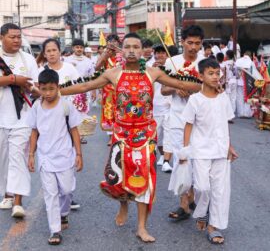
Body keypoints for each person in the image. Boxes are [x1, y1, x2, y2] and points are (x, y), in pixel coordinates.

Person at [60, 33, 201, 242]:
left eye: (136, 46)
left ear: (144, 50)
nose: (132, 50)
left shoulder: (153, 73)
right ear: (122, 50)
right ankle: (123, 204)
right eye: (128, 47)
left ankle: (142, 227)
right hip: (121, 135)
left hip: (145, 136)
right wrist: (54, 91)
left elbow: (185, 85)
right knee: (119, 177)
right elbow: (84, 86)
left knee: (145, 180)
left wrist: (201, 83)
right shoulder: (113, 73)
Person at [180, 58, 238, 244]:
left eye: (217, 73)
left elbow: (225, 124)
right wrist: (185, 152)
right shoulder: (195, 100)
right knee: (202, 187)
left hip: (221, 150)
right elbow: (188, 126)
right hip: (200, 151)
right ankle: (203, 210)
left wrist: (229, 146)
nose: (215, 77)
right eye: (210, 73)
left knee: (220, 191)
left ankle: (214, 226)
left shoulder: (224, 98)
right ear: (201, 76)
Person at [28, 69, 83, 245]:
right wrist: (31, 155)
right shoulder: (36, 106)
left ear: (57, 87)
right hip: (45, 157)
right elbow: (34, 132)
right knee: (50, 194)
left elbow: (74, 130)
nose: (48, 93)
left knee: (66, 190)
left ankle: (64, 213)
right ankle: (55, 229)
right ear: (39, 87)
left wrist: (79, 154)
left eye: (51, 89)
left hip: (65, 156)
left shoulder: (66, 106)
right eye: (44, 89)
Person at [162, 25, 204, 221]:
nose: (193, 47)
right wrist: (176, 88)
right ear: (182, 42)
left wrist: (194, 89)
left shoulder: (206, 63)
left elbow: (215, 89)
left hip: (201, 122)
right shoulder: (173, 63)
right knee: (181, 160)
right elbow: (163, 89)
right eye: (190, 42)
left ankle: (194, 197)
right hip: (178, 119)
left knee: (198, 162)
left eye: (197, 43)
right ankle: (183, 203)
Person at [0, 23, 39, 217]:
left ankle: (18, 201)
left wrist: (31, 87)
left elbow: (35, 84)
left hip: (23, 117)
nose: (16, 40)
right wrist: (14, 80)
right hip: (1, 118)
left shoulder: (28, 59)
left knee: (18, 158)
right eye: (12, 37)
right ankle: (7, 193)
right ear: (1, 38)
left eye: (18, 37)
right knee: (3, 160)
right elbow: (14, 80)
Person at [41, 38, 82, 208]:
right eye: (48, 51)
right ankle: (53, 195)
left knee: (70, 155)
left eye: (54, 50)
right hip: (48, 120)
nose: (51, 53)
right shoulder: (40, 71)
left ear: (59, 51)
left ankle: (67, 194)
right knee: (49, 159)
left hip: (68, 118)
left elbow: (80, 87)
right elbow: (37, 93)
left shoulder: (70, 69)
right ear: (44, 54)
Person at [148, 44, 173, 173]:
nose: (160, 55)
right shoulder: (149, 67)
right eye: (157, 53)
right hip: (155, 106)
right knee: (157, 135)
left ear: (167, 54)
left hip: (170, 106)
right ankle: (161, 154)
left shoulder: (173, 66)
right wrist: (151, 73)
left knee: (169, 134)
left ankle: (166, 162)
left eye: (163, 53)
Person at [95, 34, 122, 146]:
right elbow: (97, 68)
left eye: (115, 41)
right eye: (110, 41)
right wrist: (104, 56)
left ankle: (120, 136)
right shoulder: (105, 55)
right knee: (109, 113)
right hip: (108, 90)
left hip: (121, 89)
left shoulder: (122, 55)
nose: (112, 43)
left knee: (121, 112)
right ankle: (111, 137)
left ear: (118, 43)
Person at [235, 51, 254, 118]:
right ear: (250, 56)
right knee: (247, 97)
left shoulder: (238, 61)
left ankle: (240, 113)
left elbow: (235, 71)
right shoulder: (251, 62)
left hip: (239, 82)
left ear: (244, 54)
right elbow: (253, 73)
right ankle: (247, 113)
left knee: (239, 97)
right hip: (248, 82)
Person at [224, 50, 237, 116]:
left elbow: (225, 73)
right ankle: (232, 112)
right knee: (233, 97)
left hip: (228, 81)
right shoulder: (235, 63)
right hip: (234, 80)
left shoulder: (225, 63)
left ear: (228, 56)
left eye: (226, 55)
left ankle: (228, 114)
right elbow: (237, 74)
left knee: (228, 97)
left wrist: (225, 81)